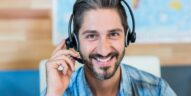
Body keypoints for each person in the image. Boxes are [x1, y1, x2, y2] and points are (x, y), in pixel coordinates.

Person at [41, 0, 176, 96]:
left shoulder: (157, 90)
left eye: (113, 34)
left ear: (127, 37)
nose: (103, 50)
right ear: (75, 42)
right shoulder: (57, 92)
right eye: (92, 36)